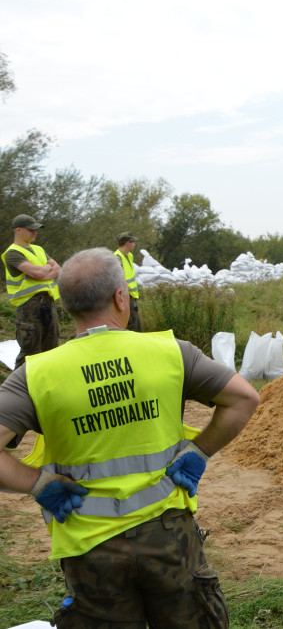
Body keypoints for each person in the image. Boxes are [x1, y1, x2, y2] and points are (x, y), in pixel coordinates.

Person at [0, 248, 260, 627]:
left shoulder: (34, 375)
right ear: (121, 297)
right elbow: (244, 398)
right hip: (170, 537)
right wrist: (200, 451)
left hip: (90, 545)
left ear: (66, 307)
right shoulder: (170, 353)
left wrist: (37, 482)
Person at [3, 214, 61, 369]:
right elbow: (39, 273)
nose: (35, 232)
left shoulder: (39, 249)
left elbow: (57, 269)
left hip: (48, 304)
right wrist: (46, 270)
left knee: (52, 348)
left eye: (36, 229)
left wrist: (43, 270)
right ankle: (18, 390)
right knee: (30, 352)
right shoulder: (13, 253)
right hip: (29, 307)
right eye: (31, 230)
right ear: (18, 230)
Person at [113, 231, 142, 332]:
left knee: (137, 327)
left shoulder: (129, 256)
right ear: (128, 243)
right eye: (133, 242)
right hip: (125, 298)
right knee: (131, 328)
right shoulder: (117, 258)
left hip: (132, 297)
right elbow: (117, 282)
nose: (134, 244)